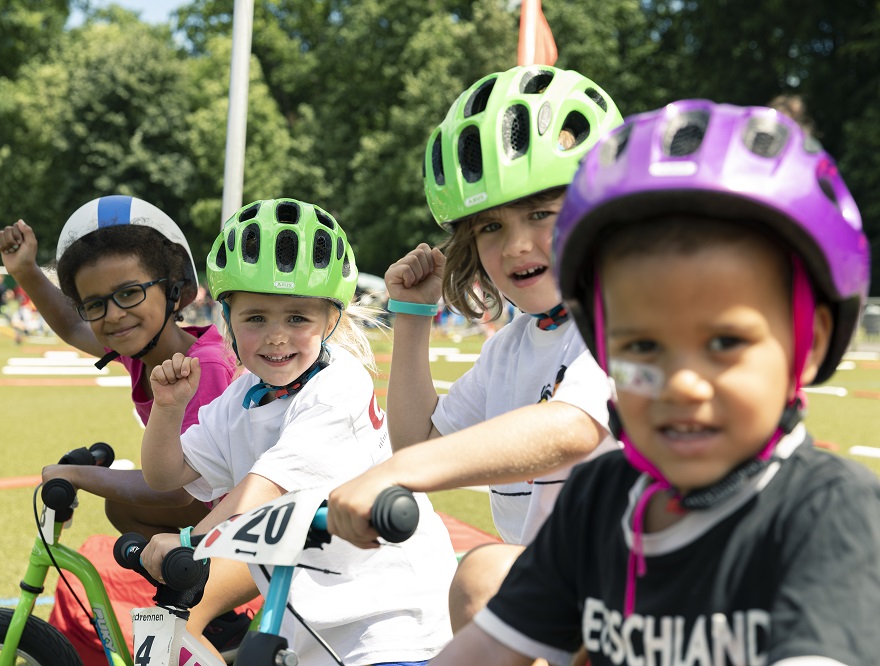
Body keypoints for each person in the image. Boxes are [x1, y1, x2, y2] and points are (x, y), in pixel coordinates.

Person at [429, 101, 880, 665]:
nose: (682, 385)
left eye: (724, 344)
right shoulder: (596, 501)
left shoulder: (826, 511)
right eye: (642, 346)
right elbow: (487, 651)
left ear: (807, 345)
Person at [326, 65, 622, 632]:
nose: (516, 245)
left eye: (541, 214)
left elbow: (574, 426)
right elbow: (418, 440)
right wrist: (412, 316)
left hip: (644, 596)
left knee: (485, 577)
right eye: (490, 227)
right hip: (569, 596)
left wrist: (401, 473)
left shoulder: (624, 315)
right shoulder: (510, 348)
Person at [139, 198, 457, 666]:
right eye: (255, 318)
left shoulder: (339, 387)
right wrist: (168, 411)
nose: (276, 336)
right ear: (227, 318)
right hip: (305, 621)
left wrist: (190, 543)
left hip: (389, 620)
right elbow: (165, 476)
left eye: (297, 318)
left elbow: (265, 491)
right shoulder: (242, 395)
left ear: (330, 320)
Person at [0, 195, 250, 652]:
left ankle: (216, 609)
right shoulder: (143, 351)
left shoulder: (204, 365)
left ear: (174, 291)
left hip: (247, 516)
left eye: (129, 294)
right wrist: (26, 271)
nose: (113, 315)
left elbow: (179, 488)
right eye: (95, 304)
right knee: (123, 508)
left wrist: (78, 474)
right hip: (217, 510)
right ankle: (206, 605)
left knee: (125, 502)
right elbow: (75, 330)